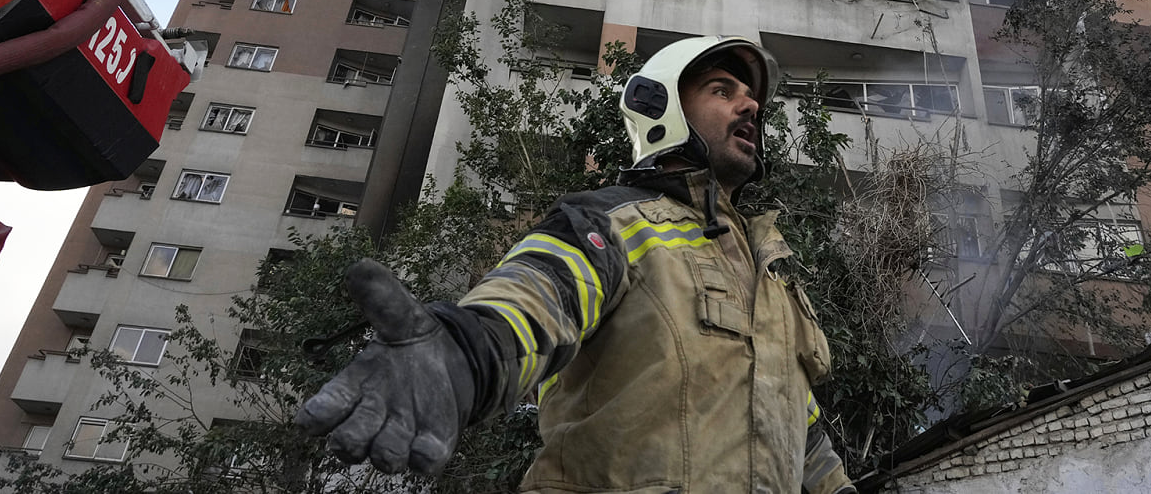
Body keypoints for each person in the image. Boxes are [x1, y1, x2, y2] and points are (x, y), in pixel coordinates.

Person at [296, 36, 857, 493]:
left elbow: (798, 427)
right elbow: (538, 296)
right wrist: (458, 355)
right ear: (662, 109)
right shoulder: (616, 221)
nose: (750, 105)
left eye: (751, 97)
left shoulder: (772, 274)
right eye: (721, 89)